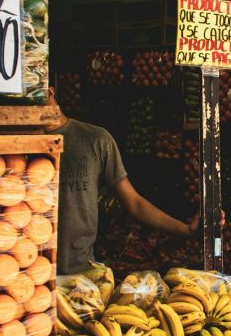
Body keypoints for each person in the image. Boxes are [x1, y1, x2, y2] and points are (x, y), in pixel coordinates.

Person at [45, 90, 198, 275]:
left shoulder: (95, 140)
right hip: (28, 275)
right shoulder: (17, 143)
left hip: (81, 274)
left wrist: (186, 229)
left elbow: (134, 203)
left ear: (49, 91)